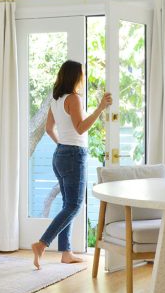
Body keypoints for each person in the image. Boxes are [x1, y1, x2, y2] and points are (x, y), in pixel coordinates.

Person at [31, 60, 112, 269]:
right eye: (82, 74)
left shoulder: (56, 100)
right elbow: (81, 128)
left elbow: (49, 129)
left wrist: (62, 146)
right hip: (74, 155)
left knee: (68, 203)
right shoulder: (74, 99)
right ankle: (41, 244)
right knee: (74, 204)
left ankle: (66, 252)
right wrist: (100, 108)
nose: (83, 78)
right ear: (75, 76)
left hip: (60, 155)